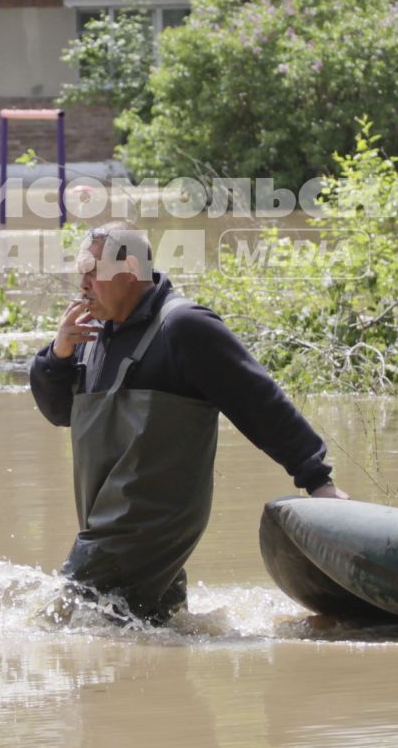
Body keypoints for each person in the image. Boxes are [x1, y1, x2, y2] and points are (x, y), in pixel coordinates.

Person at [28, 221, 347, 622]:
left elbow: (259, 402)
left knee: (58, 630)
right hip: (104, 526)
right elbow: (58, 413)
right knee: (158, 640)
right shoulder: (90, 337)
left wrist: (318, 481)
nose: (83, 282)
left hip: (143, 531)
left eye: (93, 270)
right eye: (80, 270)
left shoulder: (183, 327)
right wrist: (56, 357)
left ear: (128, 268)